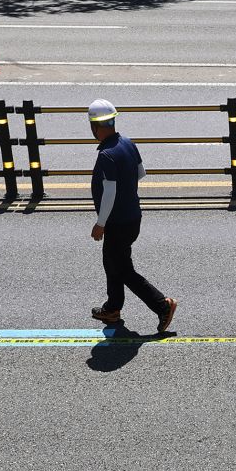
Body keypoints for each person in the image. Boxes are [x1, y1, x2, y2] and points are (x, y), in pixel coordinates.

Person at [88, 99, 177, 334]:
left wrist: (100, 223)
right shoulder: (128, 143)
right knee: (112, 262)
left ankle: (162, 305)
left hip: (117, 222)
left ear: (94, 126)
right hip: (132, 217)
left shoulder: (106, 154)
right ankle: (112, 308)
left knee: (123, 268)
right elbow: (141, 173)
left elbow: (109, 192)